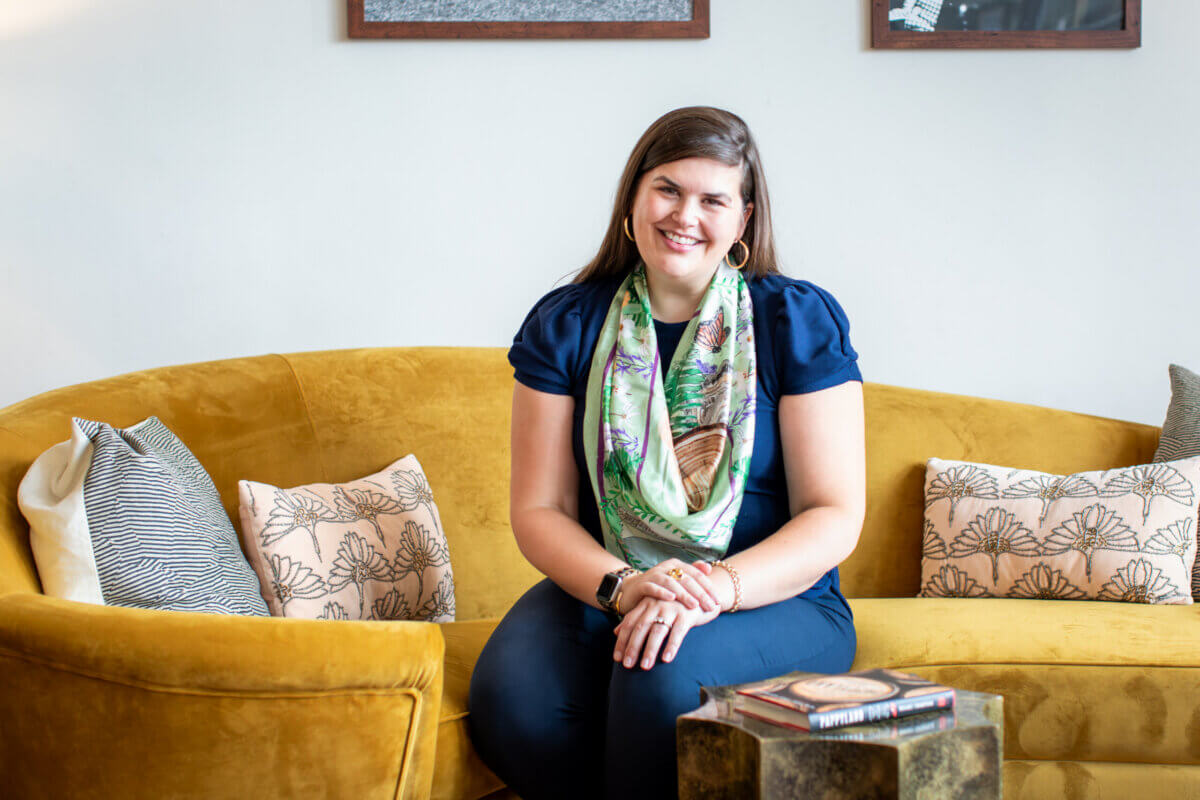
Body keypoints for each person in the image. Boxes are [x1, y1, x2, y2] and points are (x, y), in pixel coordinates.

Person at [468, 106, 866, 799]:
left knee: (659, 675)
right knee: (512, 705)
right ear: (633, 200)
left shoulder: (793, 320)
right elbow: (541, 508)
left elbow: (833, 514)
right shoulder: (567, 323)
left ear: (741, 222)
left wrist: (714, 589)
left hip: (772, 597)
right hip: (611, 583)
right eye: (668, 189)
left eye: (713, 199)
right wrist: (625, 588)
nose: (686, 214)